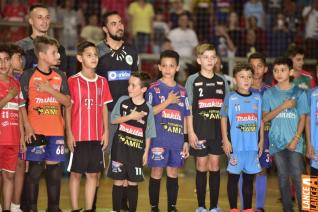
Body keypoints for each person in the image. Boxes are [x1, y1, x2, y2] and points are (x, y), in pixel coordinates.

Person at [19, 35, 71, 212]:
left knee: (54, 172)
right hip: (36, 131)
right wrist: (26, 127)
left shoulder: (61, 76)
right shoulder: (28, 76)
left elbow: (67, 102)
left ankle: (54, 208)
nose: (58, 56)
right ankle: (31, 208)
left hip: (56, 130)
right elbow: (20, 105)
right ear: (42, 55)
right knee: (34, 171)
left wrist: (49, 90)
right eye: (54, 53)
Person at [96, 11, 139, 211]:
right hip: (107, 115)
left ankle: (124, 207)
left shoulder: (132, 51)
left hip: (131, 117)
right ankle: (92, 205)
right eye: (113, 23)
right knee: (100, 165)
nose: (119, 26)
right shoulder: (96, 51)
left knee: (127, 162)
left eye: (120, 22)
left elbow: (137, 83)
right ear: (105, 29)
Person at [66, 41, 113, 212]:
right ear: (80, 58)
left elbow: (104, 108)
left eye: (95, 55)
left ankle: (88, 209)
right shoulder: (72, 81)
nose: (94, 58)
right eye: (89, 55)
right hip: (78, 135)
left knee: (93, 174)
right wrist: (69, 134)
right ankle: (75, 208)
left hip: (96, 135)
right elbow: (68, 109)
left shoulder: (102, 82)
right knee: (76, 174)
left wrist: (106, 131)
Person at [146, 50, 190, 212]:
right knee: (156, 171)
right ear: (159, 67)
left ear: (177, 68)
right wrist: (168, 101)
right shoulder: (153, 88)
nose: (167, 69)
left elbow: (185, 116)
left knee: (173, 172)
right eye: (164, 65)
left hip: (176, 140)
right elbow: (149, 112)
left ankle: (172, 207)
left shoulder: (183, 91)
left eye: (171, 66)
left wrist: (186, 140)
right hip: (158, 139)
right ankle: (154, 207)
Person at [262, 57, 309, 211]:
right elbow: (265, 118)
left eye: (283, 70)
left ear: (290, 72)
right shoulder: (269, 94)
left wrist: (296, 138)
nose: (279, 73)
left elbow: (303, 118)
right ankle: (287, 209)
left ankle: (306, 208)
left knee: (299, 177)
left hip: (294, 143)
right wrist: (283, 106)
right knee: (282, 178)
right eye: (276, 70)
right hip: (277, 142)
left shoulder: (299, 92)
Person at [185, 44, 228, 212]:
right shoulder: (192, 80)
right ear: (199, 60)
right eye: (206, 57)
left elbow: (225, 111)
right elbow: (187, 109)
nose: (209, 60)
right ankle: (201, 206)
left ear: (216, 60)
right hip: (199, 130)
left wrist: (225, 136)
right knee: (201, 165)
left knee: (215, 166)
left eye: (212, 57)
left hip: (217, 131)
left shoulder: (222, 80)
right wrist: (190, 133)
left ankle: (214, 206)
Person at [107, 72, 156, 212]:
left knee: (132, 183)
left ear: (143, 89)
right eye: (129, 84)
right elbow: (113, 119)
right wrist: (130, 116)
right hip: (119, 149)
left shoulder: (148, 108)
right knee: (118, 181)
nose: (129, 87)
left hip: (136, 151)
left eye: (133, 85)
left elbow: (149, 133)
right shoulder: (123, 100)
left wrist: (146, 152)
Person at [221, 62, 263, 212]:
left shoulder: (258, 98)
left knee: (249, 179)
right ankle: (233, 208)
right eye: (242, 77)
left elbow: (261, 121)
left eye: (249, 77)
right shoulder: (230, 97)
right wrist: (225, 140)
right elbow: (223, 118)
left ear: (253, 79)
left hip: (252, 146)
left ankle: (247, 208)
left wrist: (261, 141)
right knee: (233, 178)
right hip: (235, 146)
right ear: (235, 79)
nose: (246, 80)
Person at [0, 44, 25, 212]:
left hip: (12, 138)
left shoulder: (16, 83)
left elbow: (20, 112)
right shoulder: (10, 89)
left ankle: (7, 209)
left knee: (9, 176)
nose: (3, 63)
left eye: (6, 60)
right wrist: (8, 96)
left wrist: (22, 137)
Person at [16, 4, 67, 75]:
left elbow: (62, 75)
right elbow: (16, 74)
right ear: (31, 21)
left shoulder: (58, 47)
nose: (44, 21)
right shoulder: (20, 46)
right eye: (40, 17)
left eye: (47, 17)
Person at [7, 43, 27, 212]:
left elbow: (22, 108)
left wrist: (25, 129)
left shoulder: (23, 78)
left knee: (20, 165)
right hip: (4, 129)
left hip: (18, 128)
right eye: (17, 58)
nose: (21, 61)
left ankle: (15, 205)